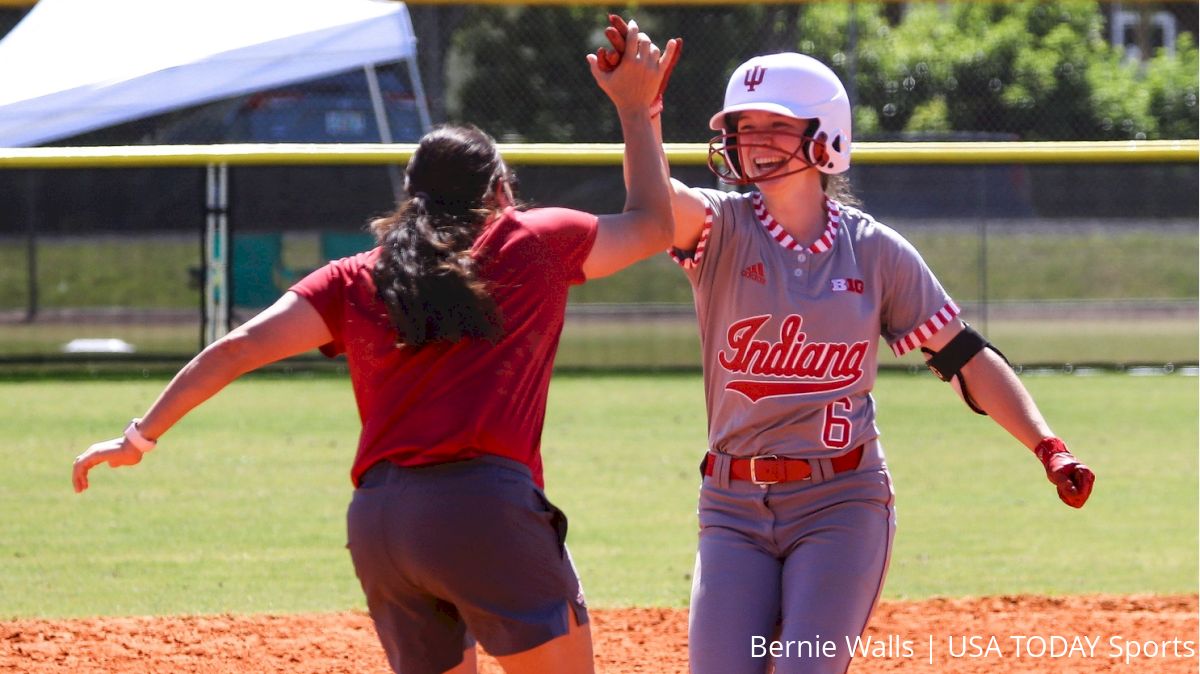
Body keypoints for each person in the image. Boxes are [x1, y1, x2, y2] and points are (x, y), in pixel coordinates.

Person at [72, 24, 679, 674]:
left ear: (410, 196)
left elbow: (236, 349)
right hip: (484, 510)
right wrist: (636, 109)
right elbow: (654, 223)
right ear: (501, 193)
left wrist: (138, 437)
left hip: (382, 526)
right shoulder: (530, 240)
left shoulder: (354, 276)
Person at [602, 40, 1095, 674]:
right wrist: (639, 113)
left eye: (776, 124)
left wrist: (1048, 446)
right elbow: (652, 205)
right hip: (730, 507)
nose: (753, 139)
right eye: (743, 125)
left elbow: (965, 357)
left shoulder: (875, 252)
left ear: (827, 138)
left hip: (841, 503)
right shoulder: (721, 227)